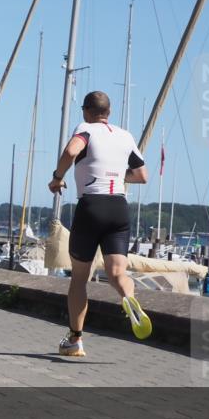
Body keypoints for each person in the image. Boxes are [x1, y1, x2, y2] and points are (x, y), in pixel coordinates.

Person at [47, 91, 148, 357]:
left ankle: (75, 340)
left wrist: (57, 177)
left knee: (79, 279)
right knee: (117, 274)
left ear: (86, 111)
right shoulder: (125, 136)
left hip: (91, 206)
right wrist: (114, 172)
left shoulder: (85, 129)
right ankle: (128, 298)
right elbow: (142, 175)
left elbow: (71, 151)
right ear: (109, 112)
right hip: (119, 208)